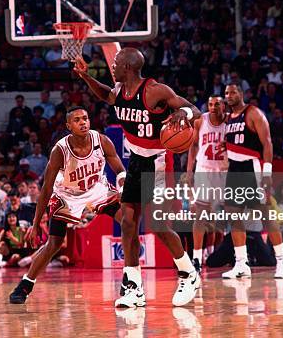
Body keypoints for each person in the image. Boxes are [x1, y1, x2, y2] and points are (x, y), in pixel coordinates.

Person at [75, 47, 201, 308]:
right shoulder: (120, 90)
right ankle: (134, 286)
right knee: (129, 223)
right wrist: (86, 77)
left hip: (158, 161)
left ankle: (188, 273)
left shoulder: (155, 91)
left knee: (157, 224)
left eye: (117, 62)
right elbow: (106, 96)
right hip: (136, 161)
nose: (113, 65)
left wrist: (183, 114)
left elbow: (194, 110)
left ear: (129, 67)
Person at [9, 106, 126, 304]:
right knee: (54, 242)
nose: (83, 123)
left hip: (96, 188)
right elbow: (46, 189)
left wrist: (122, 185)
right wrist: (36, 223)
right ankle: (25, 284)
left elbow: (119, 168)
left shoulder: (102, 141)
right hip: (67, 195)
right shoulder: (60, 150)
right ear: (68, 126)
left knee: (128, 221)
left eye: (86, 118)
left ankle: (130, 276)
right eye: (77, 120)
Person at [222, 84, 283, 279]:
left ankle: (282, 261)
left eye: (233, 92)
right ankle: (241, 264)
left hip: (253, 168)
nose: (229, 95)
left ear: (241, 94)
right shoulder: (228, 119)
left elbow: (267, 142)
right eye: (226, 93)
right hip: (234, 170)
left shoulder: (253, 113)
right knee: (233, 216)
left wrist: (267, 173)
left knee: (265, 215)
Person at [186, 96, 228, 272]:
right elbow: (194, 146)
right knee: (200, 215)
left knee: (232, 215)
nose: (213, 107)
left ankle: (238, 255)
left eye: (217, 104)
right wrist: (189, 170)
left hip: (225, 171)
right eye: (210, 104)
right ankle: (196, 258)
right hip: (204, 170)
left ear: (223, 105)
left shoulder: (230, 122)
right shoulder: (200, 121)